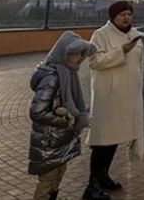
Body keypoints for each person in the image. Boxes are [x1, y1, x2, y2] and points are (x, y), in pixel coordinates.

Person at [83, 1, 144, 199]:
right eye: (122, 14)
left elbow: (140, 64)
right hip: (108, 97)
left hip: (128, 96)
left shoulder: (135, 34)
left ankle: (103, 177)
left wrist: (139, 85)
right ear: (112, 17)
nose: (126, 17)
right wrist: (121, 51)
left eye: (129, 13)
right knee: (103, 141)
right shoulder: (100, 35)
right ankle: (91, 187)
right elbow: (94, 62)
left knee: (115, 139)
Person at [28, 31, 96, 200]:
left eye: (82, 54)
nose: (80, 58)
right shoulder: (52, 77)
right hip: (48, 140)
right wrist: (65, 121)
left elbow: (63, 103)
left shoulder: (67, 74)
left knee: (57, 177)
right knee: (47, 182)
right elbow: (37, 111)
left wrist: (78, 112)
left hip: (58, 139)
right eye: (75, 54)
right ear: (63, 53)